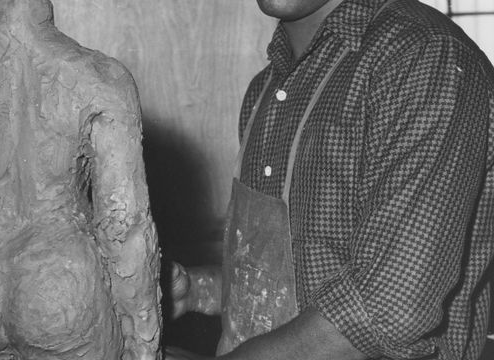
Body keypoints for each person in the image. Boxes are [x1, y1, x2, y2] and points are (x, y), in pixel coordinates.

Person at [165, 0, 494, 359]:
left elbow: (388, 309)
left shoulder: (423, 57)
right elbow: (297, 277)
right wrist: (199, 290)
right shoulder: (267, 87)